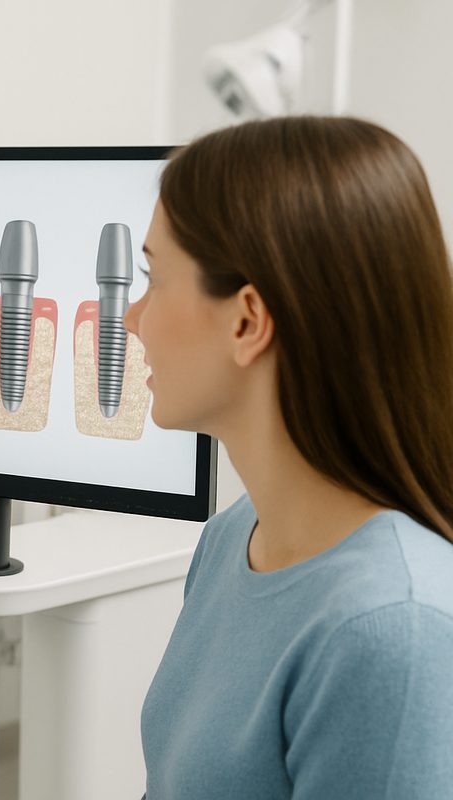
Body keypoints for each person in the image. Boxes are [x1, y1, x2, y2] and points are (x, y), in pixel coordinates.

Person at [128, 116, 453, 799]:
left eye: (153, 280)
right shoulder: (230, 540)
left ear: (247, 321)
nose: (132, 318)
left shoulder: (393, 630)